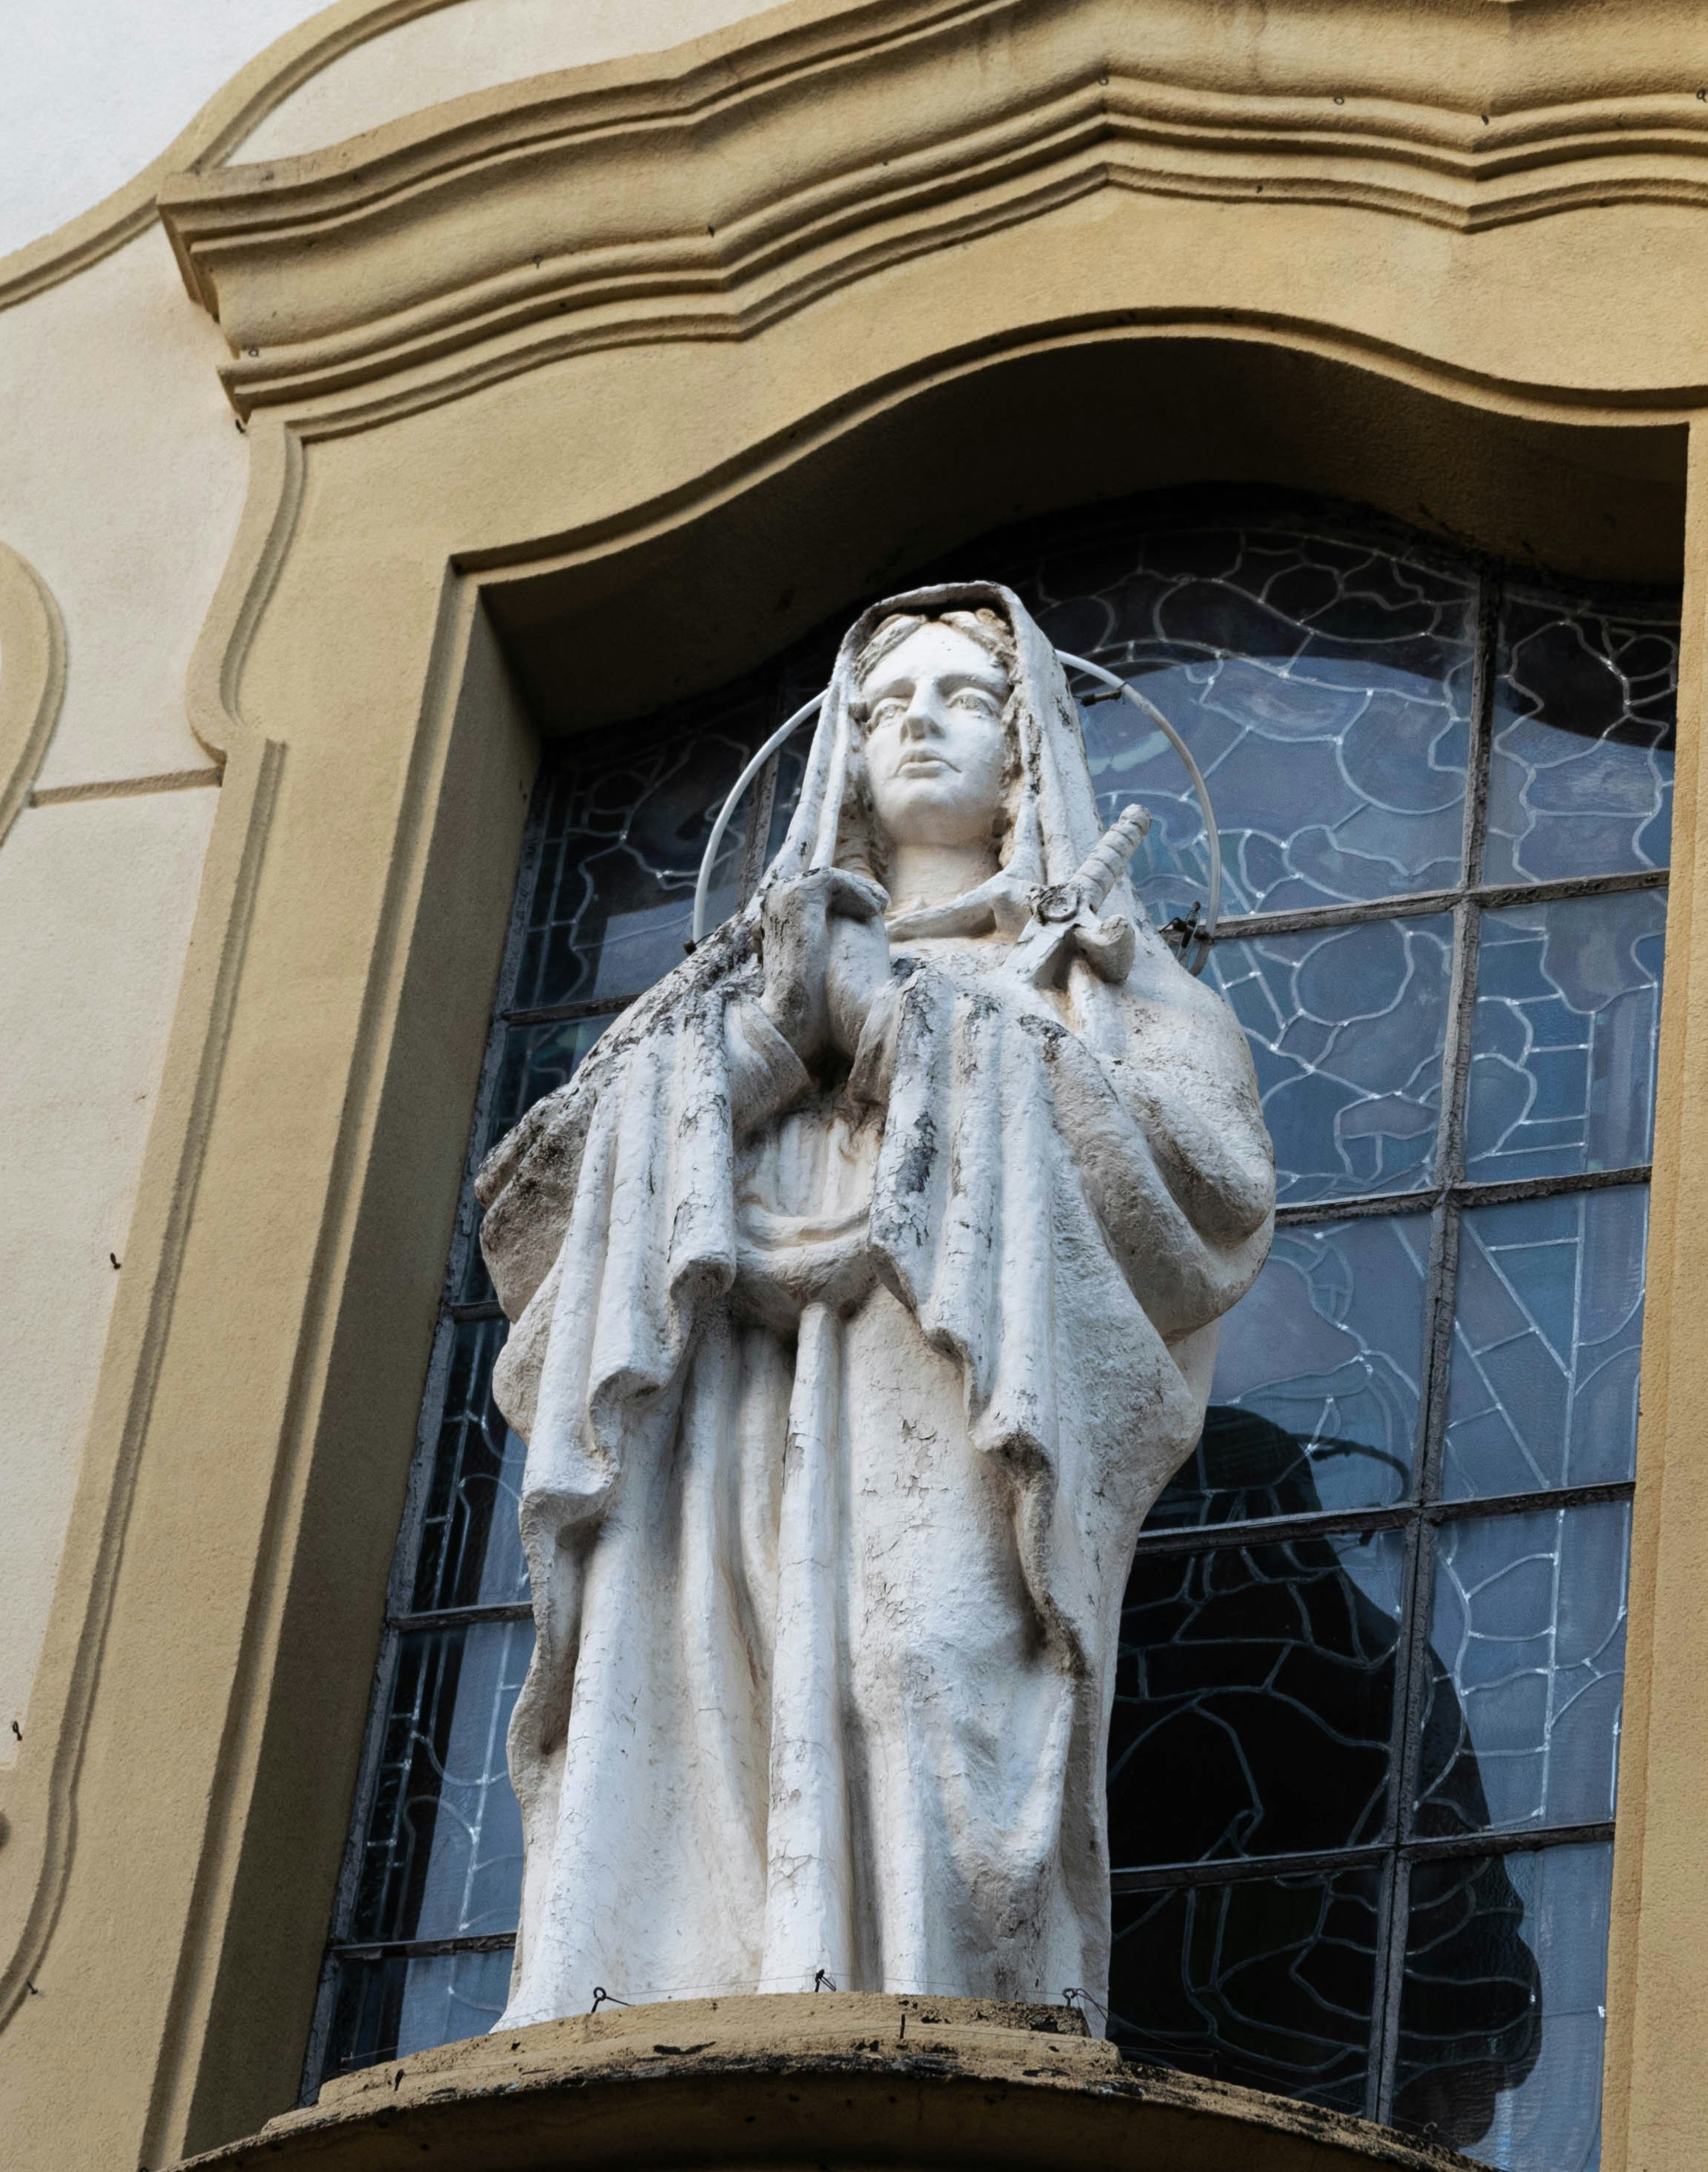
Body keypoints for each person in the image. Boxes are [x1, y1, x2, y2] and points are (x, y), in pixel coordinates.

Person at [474, 581, 1275, 2020]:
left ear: (1026, 741)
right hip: (726, 1444)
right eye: (882, 706)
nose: (916, 726)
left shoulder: (1098, 977)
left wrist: (908, 1021)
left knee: (932, 1672)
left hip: (955, 1409)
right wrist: (772, 1042)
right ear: (839, 752)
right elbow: (529, 1214)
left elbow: (1207, 1189)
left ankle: (948, 2029)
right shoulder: (724, 991)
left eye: (959, 698)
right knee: (709, 1706)